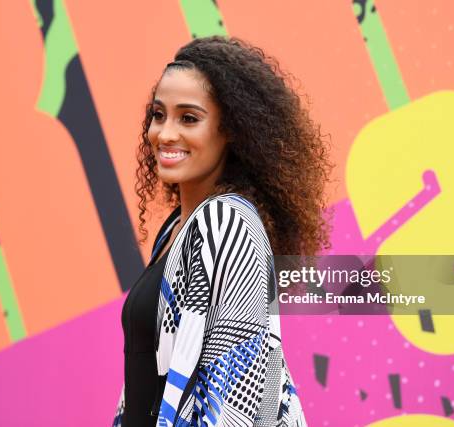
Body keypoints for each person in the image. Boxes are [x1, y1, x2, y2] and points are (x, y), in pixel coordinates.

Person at [116, 36, 331, 427]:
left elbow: (236, 395)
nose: (164, 134)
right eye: (158, 114)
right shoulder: (176, 231)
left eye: (189, 118)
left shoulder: (227, 223)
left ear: (231, 130)